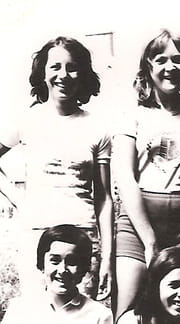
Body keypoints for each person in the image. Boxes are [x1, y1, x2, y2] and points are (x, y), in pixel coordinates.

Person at [0, 37, 113, 300]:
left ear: (83, 74)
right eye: (55, 67)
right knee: (38, 312)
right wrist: (18, 198)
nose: (63, 75)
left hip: (82, 235)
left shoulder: (98, 127)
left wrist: (107, 256)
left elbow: (104, 197)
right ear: (43, 73)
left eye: (72, 68)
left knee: (79, 314)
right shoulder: (27, 120)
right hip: (36, 234)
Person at [112, 29, 180, 320]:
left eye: (178, 60)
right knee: (128, 307)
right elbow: (125, 178)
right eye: (161, 60)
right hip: (140, 219)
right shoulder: (132, 114)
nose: (170, 67)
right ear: (148, 66)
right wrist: (149, 240)